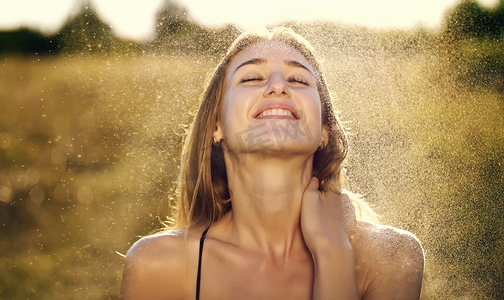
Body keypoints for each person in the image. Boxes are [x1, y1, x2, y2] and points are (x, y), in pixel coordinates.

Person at [120, 27, 424, 299]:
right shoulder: (159, 265)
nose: (278, 86)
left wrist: (334, 252)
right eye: (252, 77)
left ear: (323, 131)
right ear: (217, 125)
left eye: (298, 79)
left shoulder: (391, 257)